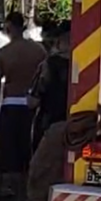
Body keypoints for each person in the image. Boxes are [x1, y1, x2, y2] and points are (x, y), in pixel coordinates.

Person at [15, 21, 72, 201]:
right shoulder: (94, 63)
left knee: (38, 182)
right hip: (85, 128)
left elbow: (33, 101)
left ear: (59, 40)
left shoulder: (51, 64)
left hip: (54, 129)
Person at [0, 12, 46, 201]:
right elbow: (44, 78)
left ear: (8, 27)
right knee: (31, 154)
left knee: (14, 158)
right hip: (33, 105)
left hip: (11, 105)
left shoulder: (3, 53)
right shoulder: (39, 50)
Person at [28, 20, 71, 153]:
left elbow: (32, 102)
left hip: (49, 124)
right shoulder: (90, 65)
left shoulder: (48, 65)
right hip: (78, 127)